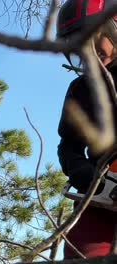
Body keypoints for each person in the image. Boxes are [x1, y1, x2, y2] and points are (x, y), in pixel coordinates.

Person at [56, 0, 117, 259]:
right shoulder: (80, 90)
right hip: (100, 199)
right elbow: (68, 145)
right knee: (83, 252)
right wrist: (81, 171)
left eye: (94, 39)